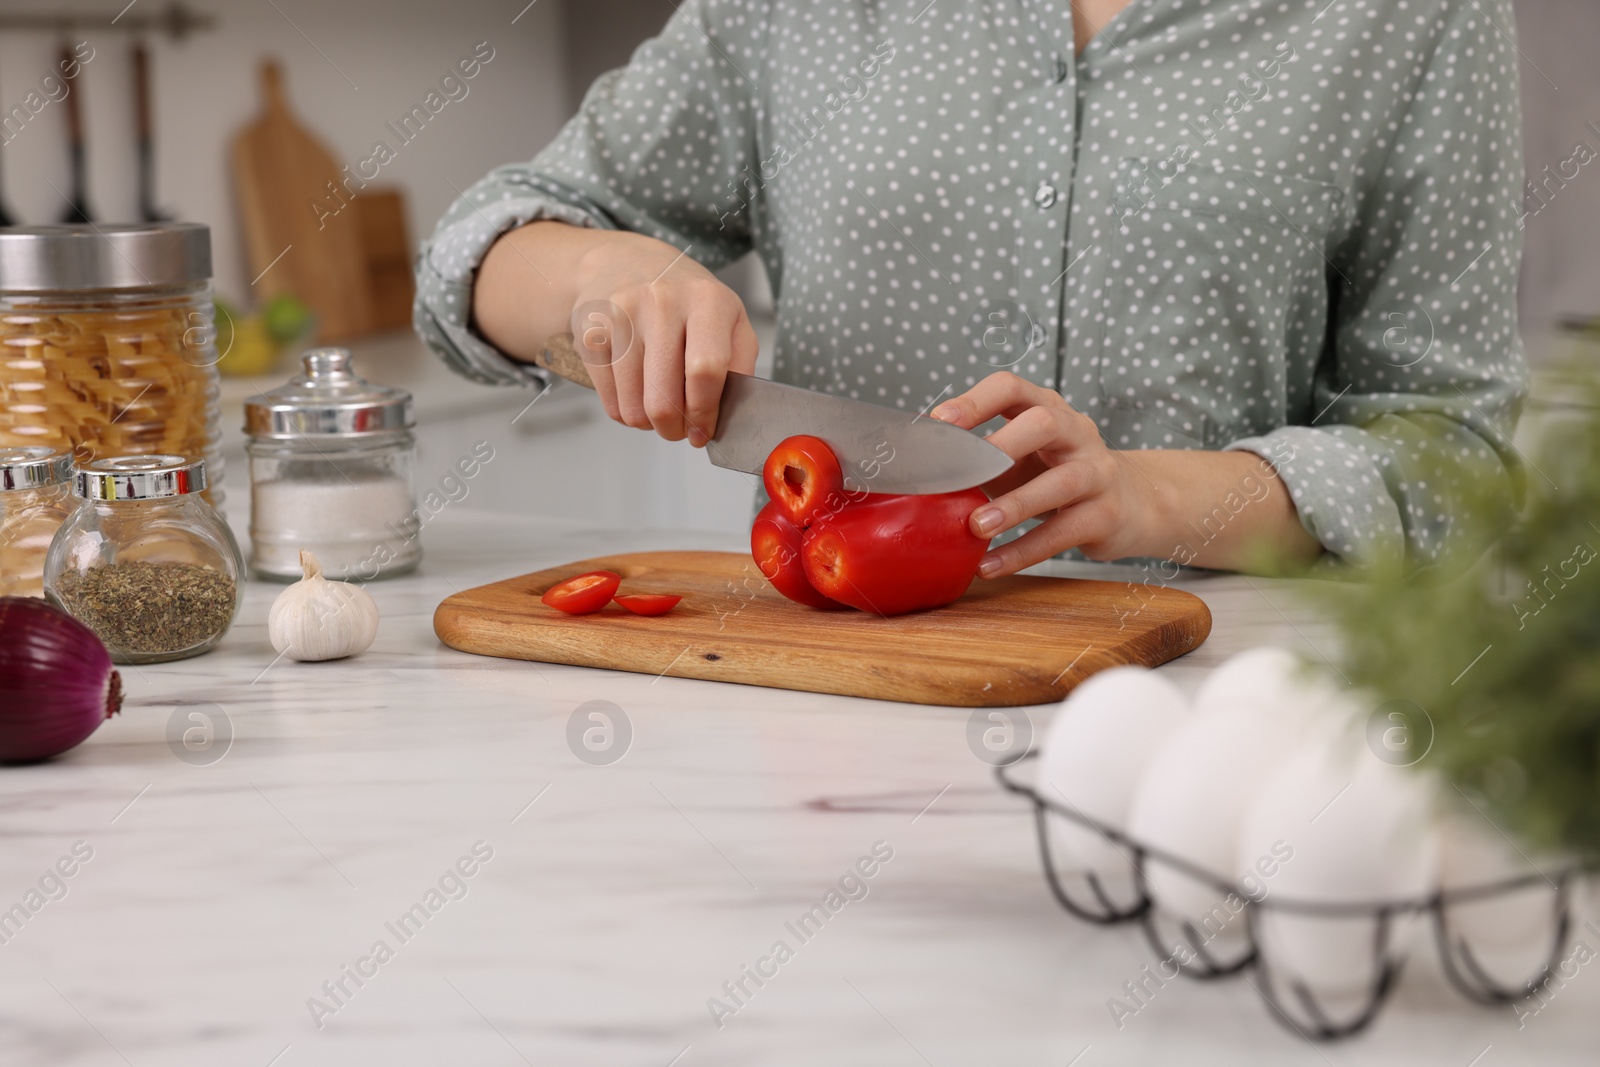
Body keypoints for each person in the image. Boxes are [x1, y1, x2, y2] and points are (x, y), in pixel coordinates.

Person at [415, 0, 1528, 578]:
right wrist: (601, 275)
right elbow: (473, 260)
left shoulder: (1415, 20)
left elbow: (1454, 455)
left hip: (1217, 703)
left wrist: (1146, 497)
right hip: (827, 689)